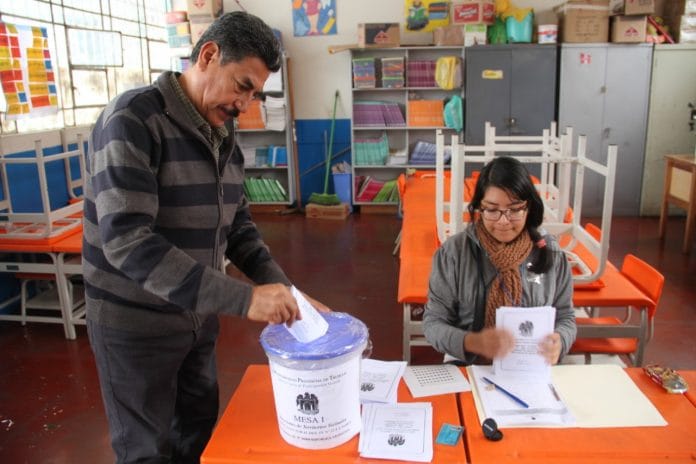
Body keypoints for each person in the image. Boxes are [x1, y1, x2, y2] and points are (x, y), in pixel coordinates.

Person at [83, 12, 328, 464]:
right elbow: (127, 241)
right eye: (242, 86)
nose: (245, 105)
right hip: (135, 327)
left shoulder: (222, 130)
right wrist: (244, 299)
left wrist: (290, 293)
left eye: (255, 94)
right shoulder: (133, 120)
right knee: (145, 450)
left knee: (195, 433)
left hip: (196, 317)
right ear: (208, 55)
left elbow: (238, 228)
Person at [423, 156, 576, 365]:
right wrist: (472, 342)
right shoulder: (454, 253)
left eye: (515, 209)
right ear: (479, 208)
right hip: (468, 364)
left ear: (529, 207)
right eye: (492, 210)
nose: (503, 221)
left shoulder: (550, 252)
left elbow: (565, 316)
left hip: (531, 368)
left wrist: (560, 341)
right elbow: (433, 323)